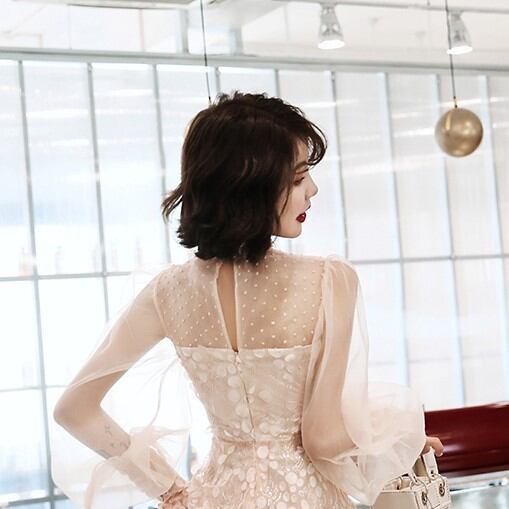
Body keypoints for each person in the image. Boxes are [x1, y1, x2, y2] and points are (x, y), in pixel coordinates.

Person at [51, 91, 443, 509]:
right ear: (251, 185)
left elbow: (74, 410)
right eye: (297, 179)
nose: (312, 189)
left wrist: (168, 488)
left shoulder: (167, 292)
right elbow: (324, 440)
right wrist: (399, 438)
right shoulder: (329, 282)